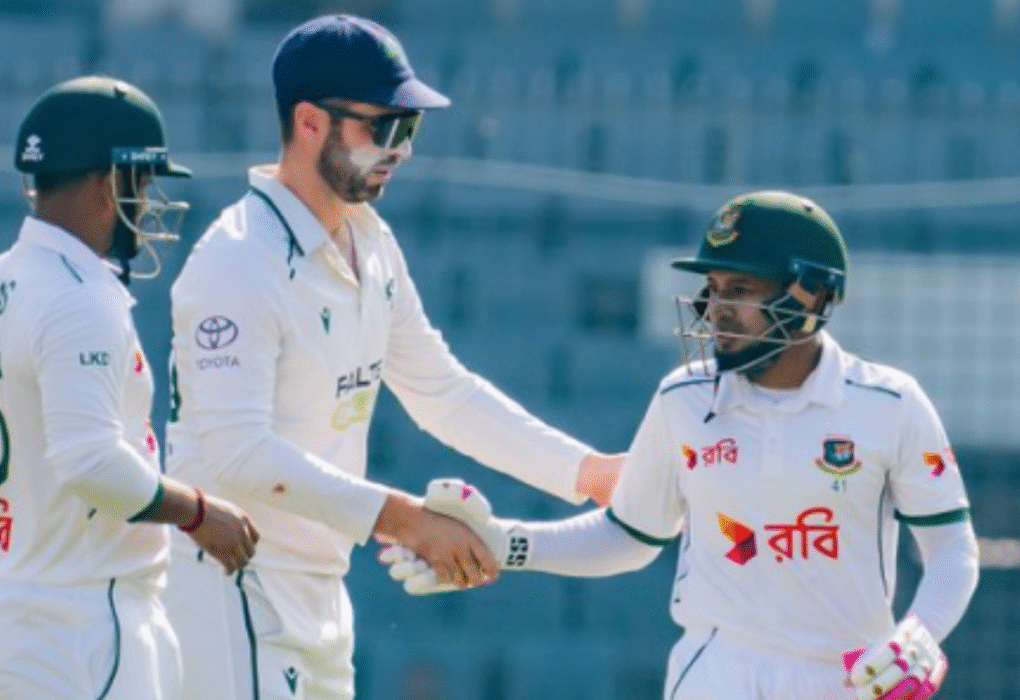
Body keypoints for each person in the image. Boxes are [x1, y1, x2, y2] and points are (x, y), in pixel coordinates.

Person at [161, 13, 623, 700]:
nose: (401, 149)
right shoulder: (239, 258)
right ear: (311, 122)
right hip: (231, 586)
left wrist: (588, 474)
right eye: (385, 127)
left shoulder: (370, 242)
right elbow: (238, 453)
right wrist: (406, 519)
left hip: (317, 585)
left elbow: (444, 392)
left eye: (412, 128)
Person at [384, 191, 980, 700]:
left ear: (811, 295)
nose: (716, 309)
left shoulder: (890, 404)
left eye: (740, 289)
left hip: (848, 678)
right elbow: (629, 535)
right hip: (717, 669)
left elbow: (952, 548)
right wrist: (505, 543)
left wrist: (920, 634)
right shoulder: (684, 399)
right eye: (713, 288)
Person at [0, 76, 260, 700]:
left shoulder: (11, 280)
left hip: (23, 601)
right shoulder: (77, 299)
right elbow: (90, 463)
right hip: (82, 619)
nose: (146, 204)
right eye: (142, 183)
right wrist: (199, 512)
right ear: (107, 182)